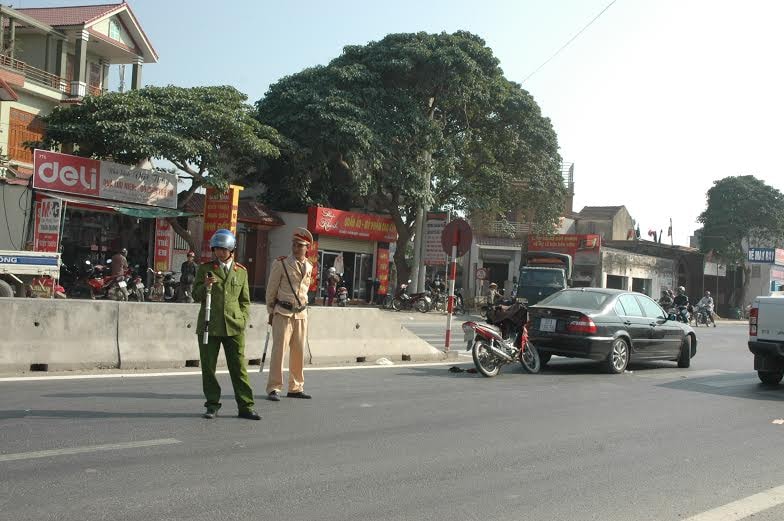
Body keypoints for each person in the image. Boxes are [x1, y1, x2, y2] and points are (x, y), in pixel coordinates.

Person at [192, 229, 260, 421]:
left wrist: (243, 319)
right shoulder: (206, 269)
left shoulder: (241, 272)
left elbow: (245, 301)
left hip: (234, 326)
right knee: (208, 368)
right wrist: (205, 286)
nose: (219, 253)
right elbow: (195, 295)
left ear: (231, 250)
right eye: (216, 249)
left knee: (238, 368)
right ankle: (212, 405)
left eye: (223, 249)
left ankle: (246, 406)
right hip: (209, 326)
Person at [265, 227, 314, 402]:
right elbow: (271, 289)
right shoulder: (282, 263)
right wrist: (271, 311)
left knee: (299, 352)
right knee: (279, 352)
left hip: (301, 314)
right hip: (283, 312)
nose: (296, 248)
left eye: (300, 245)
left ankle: (296, 387)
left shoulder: (309, 266)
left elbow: (304, 290)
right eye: (294, 245)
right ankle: (274, 387)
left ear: (307, 247)